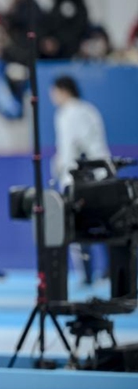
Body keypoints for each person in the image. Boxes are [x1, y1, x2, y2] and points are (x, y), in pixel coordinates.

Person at [49, 75, 112, 285]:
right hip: (103, 175)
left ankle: (86, 274)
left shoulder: (67, 113)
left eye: (54, 91)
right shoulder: (90, 109)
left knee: (75, 226)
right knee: (106, 224)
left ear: (63, 90)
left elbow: (71, 147)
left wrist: (62, 169)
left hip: (80, 178)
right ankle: (112, 270)